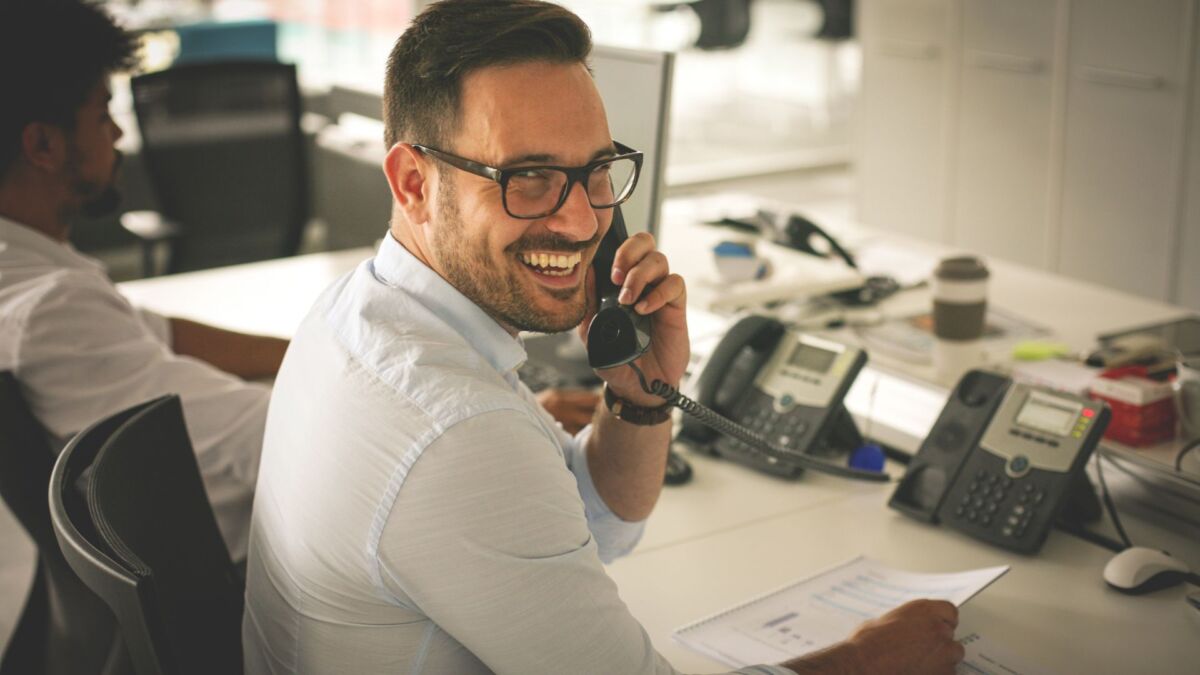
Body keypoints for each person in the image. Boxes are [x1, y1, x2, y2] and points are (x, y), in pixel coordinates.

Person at [242, 1, 964, 673]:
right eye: (529, 178)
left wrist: (639, 397)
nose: (585, 221)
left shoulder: (361, 314)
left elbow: (599, 521)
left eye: (595, 173)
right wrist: (865, 661)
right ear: (413, 183)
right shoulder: (454, 431)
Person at [0, 0, 288, 559]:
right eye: (103, 114)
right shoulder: (52, 309)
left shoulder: (26, 267)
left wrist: (305, 353)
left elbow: (158, 333)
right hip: (225, 580)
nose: (117, 136)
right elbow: (261, 438)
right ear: (42, 145)